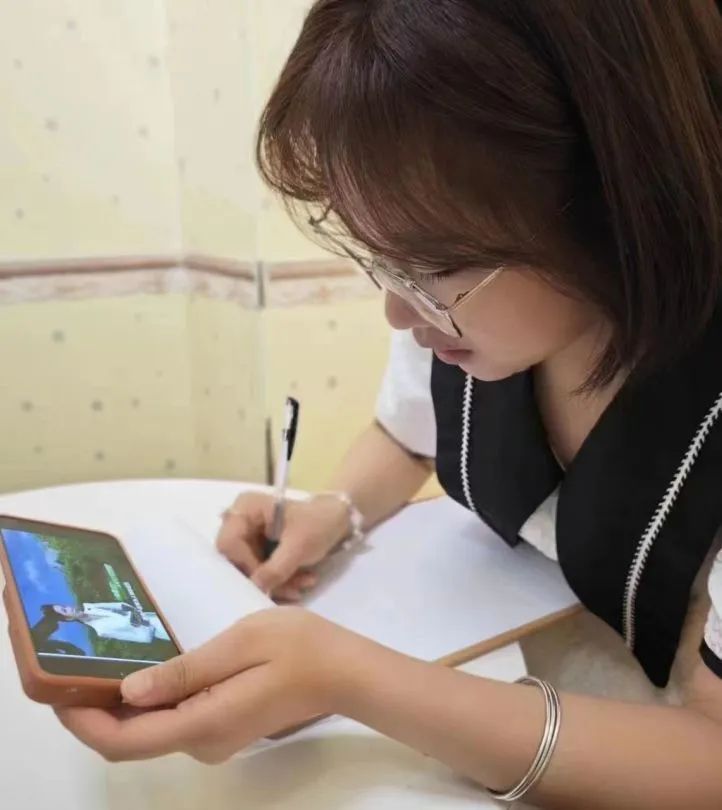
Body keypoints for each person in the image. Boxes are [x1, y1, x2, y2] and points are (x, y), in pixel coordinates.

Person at [56, 2, 722, 807]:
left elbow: (711, 752)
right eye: (382, 260)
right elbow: (407, 435)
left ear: (621, 196)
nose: (399, 312)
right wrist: (334, 510)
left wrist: (350, 678)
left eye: (431, 267)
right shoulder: (467, 318)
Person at [34, 603, 170, 645]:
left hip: (157, 614)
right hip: (161, 631)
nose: (69, 608)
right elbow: (143, 638)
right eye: (65, 610)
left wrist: (133, 610)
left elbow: (121, 605)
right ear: (68, 619)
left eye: (64, 606)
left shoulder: (90, 606)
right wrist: (140, 624)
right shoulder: (102, 630)